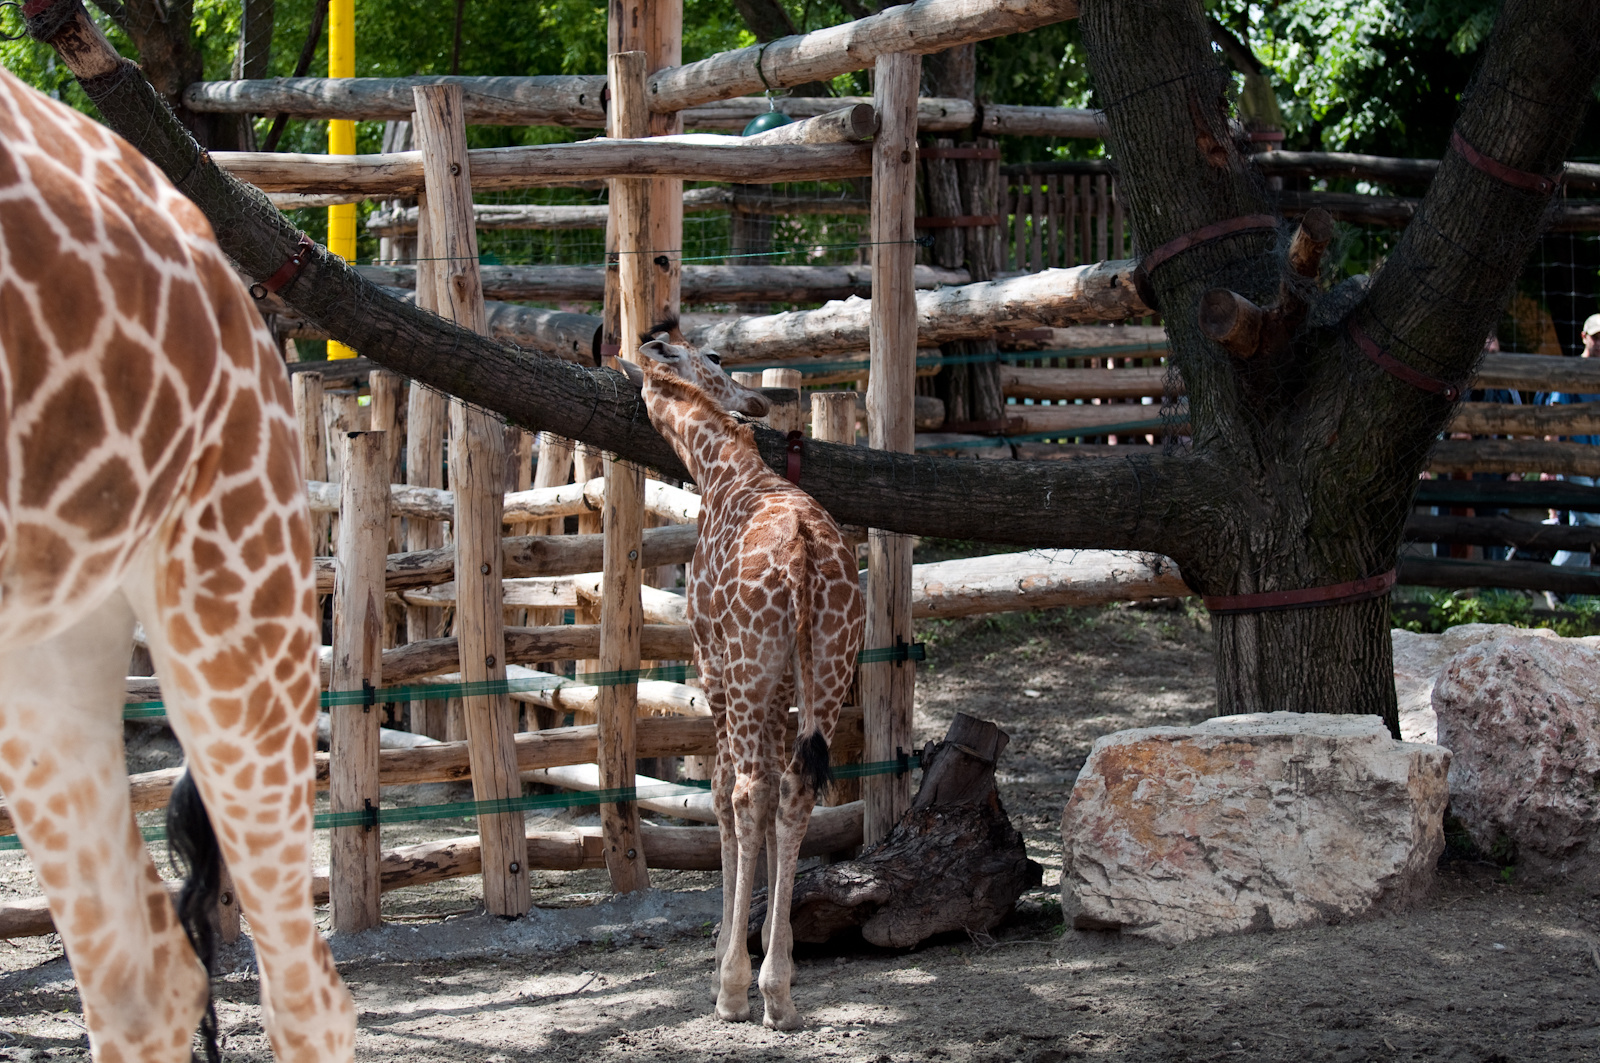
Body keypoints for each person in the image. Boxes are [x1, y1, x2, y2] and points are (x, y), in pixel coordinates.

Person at [1547, 313, 1600, 567]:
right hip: (1576, 461)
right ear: (1584, 337)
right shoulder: (1571, 372)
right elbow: (1556, 420)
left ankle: (1570, 591)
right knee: (1588, 522)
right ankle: (1554, 580)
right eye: (1596, 337)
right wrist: (1551, 462)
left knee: (1585, 526)